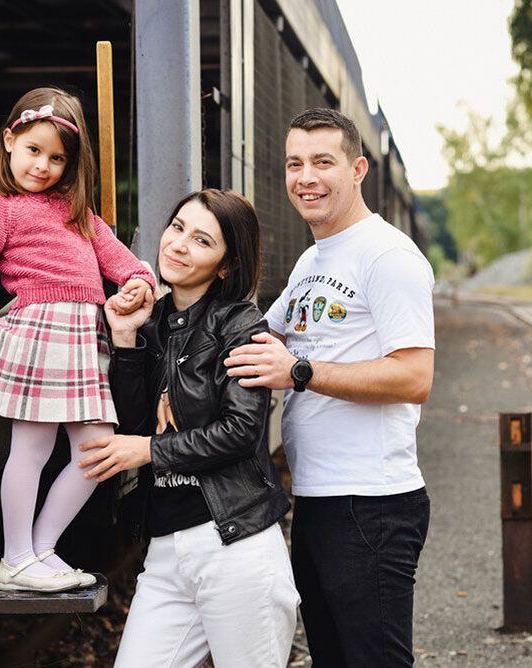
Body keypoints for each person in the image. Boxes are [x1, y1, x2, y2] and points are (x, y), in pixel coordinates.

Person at [0, 87, 155, 593]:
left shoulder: (76, 210)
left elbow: (119, 259)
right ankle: (17, 554)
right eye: (34, 151)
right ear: (8, 141)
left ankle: (39, 549)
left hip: (85, 335)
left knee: (98, 450)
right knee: (33, 447)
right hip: (40, 330)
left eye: (58, 158)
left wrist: (139, 280)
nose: (43, 166)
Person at [224, 108, 435, 666]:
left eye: (323, 162)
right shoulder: (312, 261)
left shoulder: (388, 255)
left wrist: (299, 372)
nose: (306, 177)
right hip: (318, 499)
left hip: (372, 502)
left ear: (358, 168)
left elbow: (414, 376)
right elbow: (257, 336)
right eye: (295, 164)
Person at [77, 189, 300, 666]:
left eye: (201, 240)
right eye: (177, 227)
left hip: (234, 546)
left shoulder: (242, 326)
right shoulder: (152, 321)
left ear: (225, 264)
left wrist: (148, 451)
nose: (178, 244)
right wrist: (125, 338)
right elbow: (130, 423)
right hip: (165, 551)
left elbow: (241, 431)